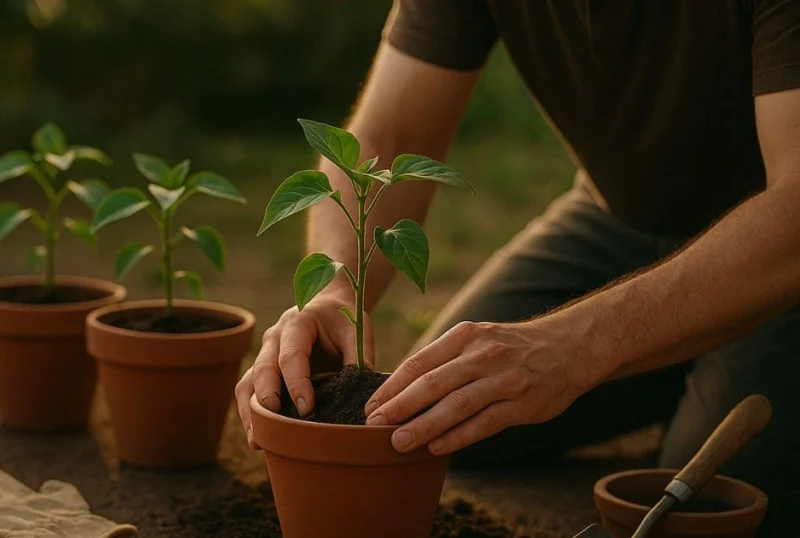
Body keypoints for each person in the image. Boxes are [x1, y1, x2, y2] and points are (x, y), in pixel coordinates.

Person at [234, 0, 800, 534]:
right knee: (443, 416)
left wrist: (575, 346)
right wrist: (332, 289)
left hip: (778, 252)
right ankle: (679, 362)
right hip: (620, 219)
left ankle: (702, 365)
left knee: (709, 500)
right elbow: (388, 134)